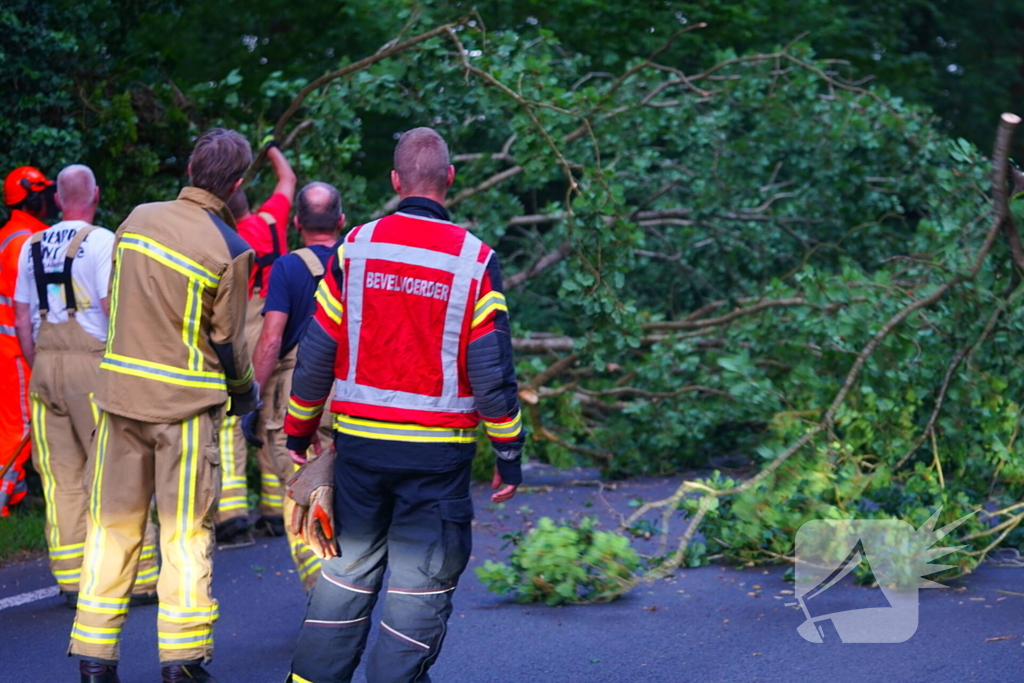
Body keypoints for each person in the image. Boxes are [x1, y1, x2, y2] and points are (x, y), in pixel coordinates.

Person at [284, 127, 526, 683]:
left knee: (342, 584)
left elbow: (318, 348)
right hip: (436, 463)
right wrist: (509, 453)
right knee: (417, 595)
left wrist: (299, 431)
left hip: (361, 454)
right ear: (450, 179)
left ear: (395, 181)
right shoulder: (474, 260)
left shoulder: (356, 247)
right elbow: (491, 374)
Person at [69, 128, 259, 683]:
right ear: (238, 183)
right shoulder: (229, 248)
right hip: (186, 411)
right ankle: (182, 662)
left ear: (192, 168)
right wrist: (243, 392)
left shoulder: (134, 219)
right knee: (183, 534)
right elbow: (228, 341)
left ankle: (95, 660)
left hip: (120, 401)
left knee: (113, 528)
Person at [13, 165, 160, 608]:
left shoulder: (30, 246)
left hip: (45, 368)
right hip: (92, 368)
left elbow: (22, 318)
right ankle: (141, 578)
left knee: (61, 478)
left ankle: (72, 575)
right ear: (95, 194)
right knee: (118, 468)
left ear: (57, 200)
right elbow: (110, 307)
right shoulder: (101, 241)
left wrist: (40, 365)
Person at [244, 181, 343, 592]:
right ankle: (350, 586)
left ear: (297, 223)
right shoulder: (360, 261)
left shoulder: (286, 267)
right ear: (341, 220)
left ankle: (323, 594)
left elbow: (270, 338)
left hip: (297, 392)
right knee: (349, 489)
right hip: (352, 393)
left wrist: (251, 400)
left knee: (300, 493)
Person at [214, 137, 297, 546]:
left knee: (233, 419)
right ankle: (275, 510)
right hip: (280, 322)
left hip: (246, 328)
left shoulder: (225, 240)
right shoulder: (271, 220)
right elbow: (288, 179)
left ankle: (231, 515)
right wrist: (270, 149)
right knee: (272, 419)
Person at [0, 166, 56, 516]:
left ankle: (14, 499)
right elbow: (33, 302)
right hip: (15, 349)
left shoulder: (18, 234)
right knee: (19, 428)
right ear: (31, 198)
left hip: (11, 347)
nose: (50, 199)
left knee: (19, 426)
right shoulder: (23, 242)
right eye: (43, 193)